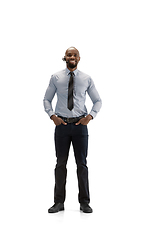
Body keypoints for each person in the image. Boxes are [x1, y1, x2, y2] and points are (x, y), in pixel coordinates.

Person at [43, 47, 102, 213]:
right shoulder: (56, 77)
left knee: (82, 164)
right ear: (65, 57)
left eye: (74, 55)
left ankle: (84, 202)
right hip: (61, 126)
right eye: (69, 55)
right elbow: (47, 99)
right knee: (60, 164)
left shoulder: (86, 78)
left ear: (79, 58)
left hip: (80, 127)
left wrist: (89, 117)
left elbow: (97, 100)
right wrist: (52, 116)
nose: (72, 57)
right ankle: (59, 202)